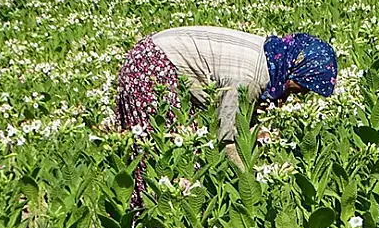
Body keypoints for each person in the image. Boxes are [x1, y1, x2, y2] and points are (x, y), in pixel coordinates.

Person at [116, 26, 337, 208]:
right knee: (163, 155)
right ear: (295, 70)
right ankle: (150, 223)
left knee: (183, 152)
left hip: (157, 52)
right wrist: (252, 182)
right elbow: (226, 138)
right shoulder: (249, 78)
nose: (302, 94)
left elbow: (241, 120)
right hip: (152, 65)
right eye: (304, 87)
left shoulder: (272, 57)